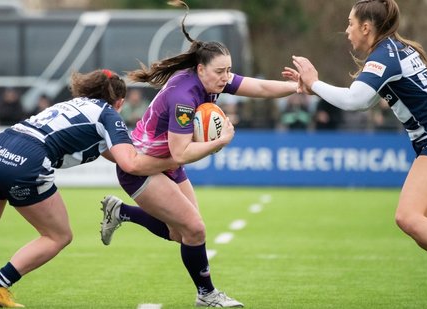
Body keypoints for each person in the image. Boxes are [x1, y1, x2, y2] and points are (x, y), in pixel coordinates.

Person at [0, 69, 178, 308]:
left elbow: (114, 153)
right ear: (119, 102)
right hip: (26, 160)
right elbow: (130, 163)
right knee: (58, 236)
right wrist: (178, 157)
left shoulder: (71, 105)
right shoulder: (108, 113)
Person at [99, 1, 298, 307]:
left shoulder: (212, 78)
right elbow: (180, 154)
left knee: (182, 234)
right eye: (221, 71)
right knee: (195, 228)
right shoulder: (184, 96)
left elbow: (258, 87)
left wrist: (298, 87)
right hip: (141, 166)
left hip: (163, 163)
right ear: (201, 69)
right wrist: (219, 143)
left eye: (229, 70)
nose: (226, 77)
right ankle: (207, 294)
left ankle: (122, 212)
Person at [283, 1, 427, 308]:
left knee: (409, 217)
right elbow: (366, 100)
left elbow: (356, 100)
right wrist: (315, 88)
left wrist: (314, 81)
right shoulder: (392, 51)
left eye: (350, 23)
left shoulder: (385, 55)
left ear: (366, 27)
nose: (347, 31)